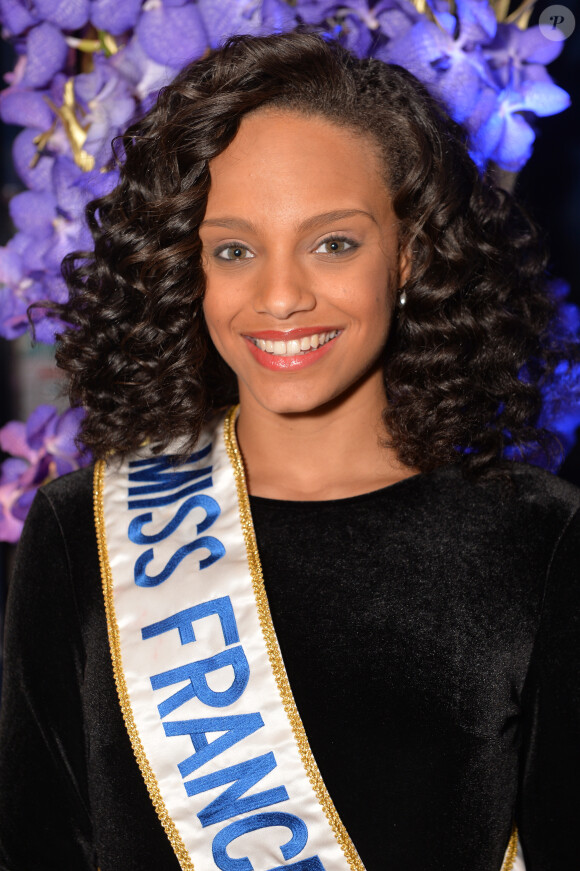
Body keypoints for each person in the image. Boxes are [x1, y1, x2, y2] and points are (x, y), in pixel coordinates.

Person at [0, 29, 579, 871]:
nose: (279, 297)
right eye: (234, 249)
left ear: (409, 252)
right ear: (190, 266)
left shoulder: (542, 538)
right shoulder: (80, 530)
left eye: (334, 242)